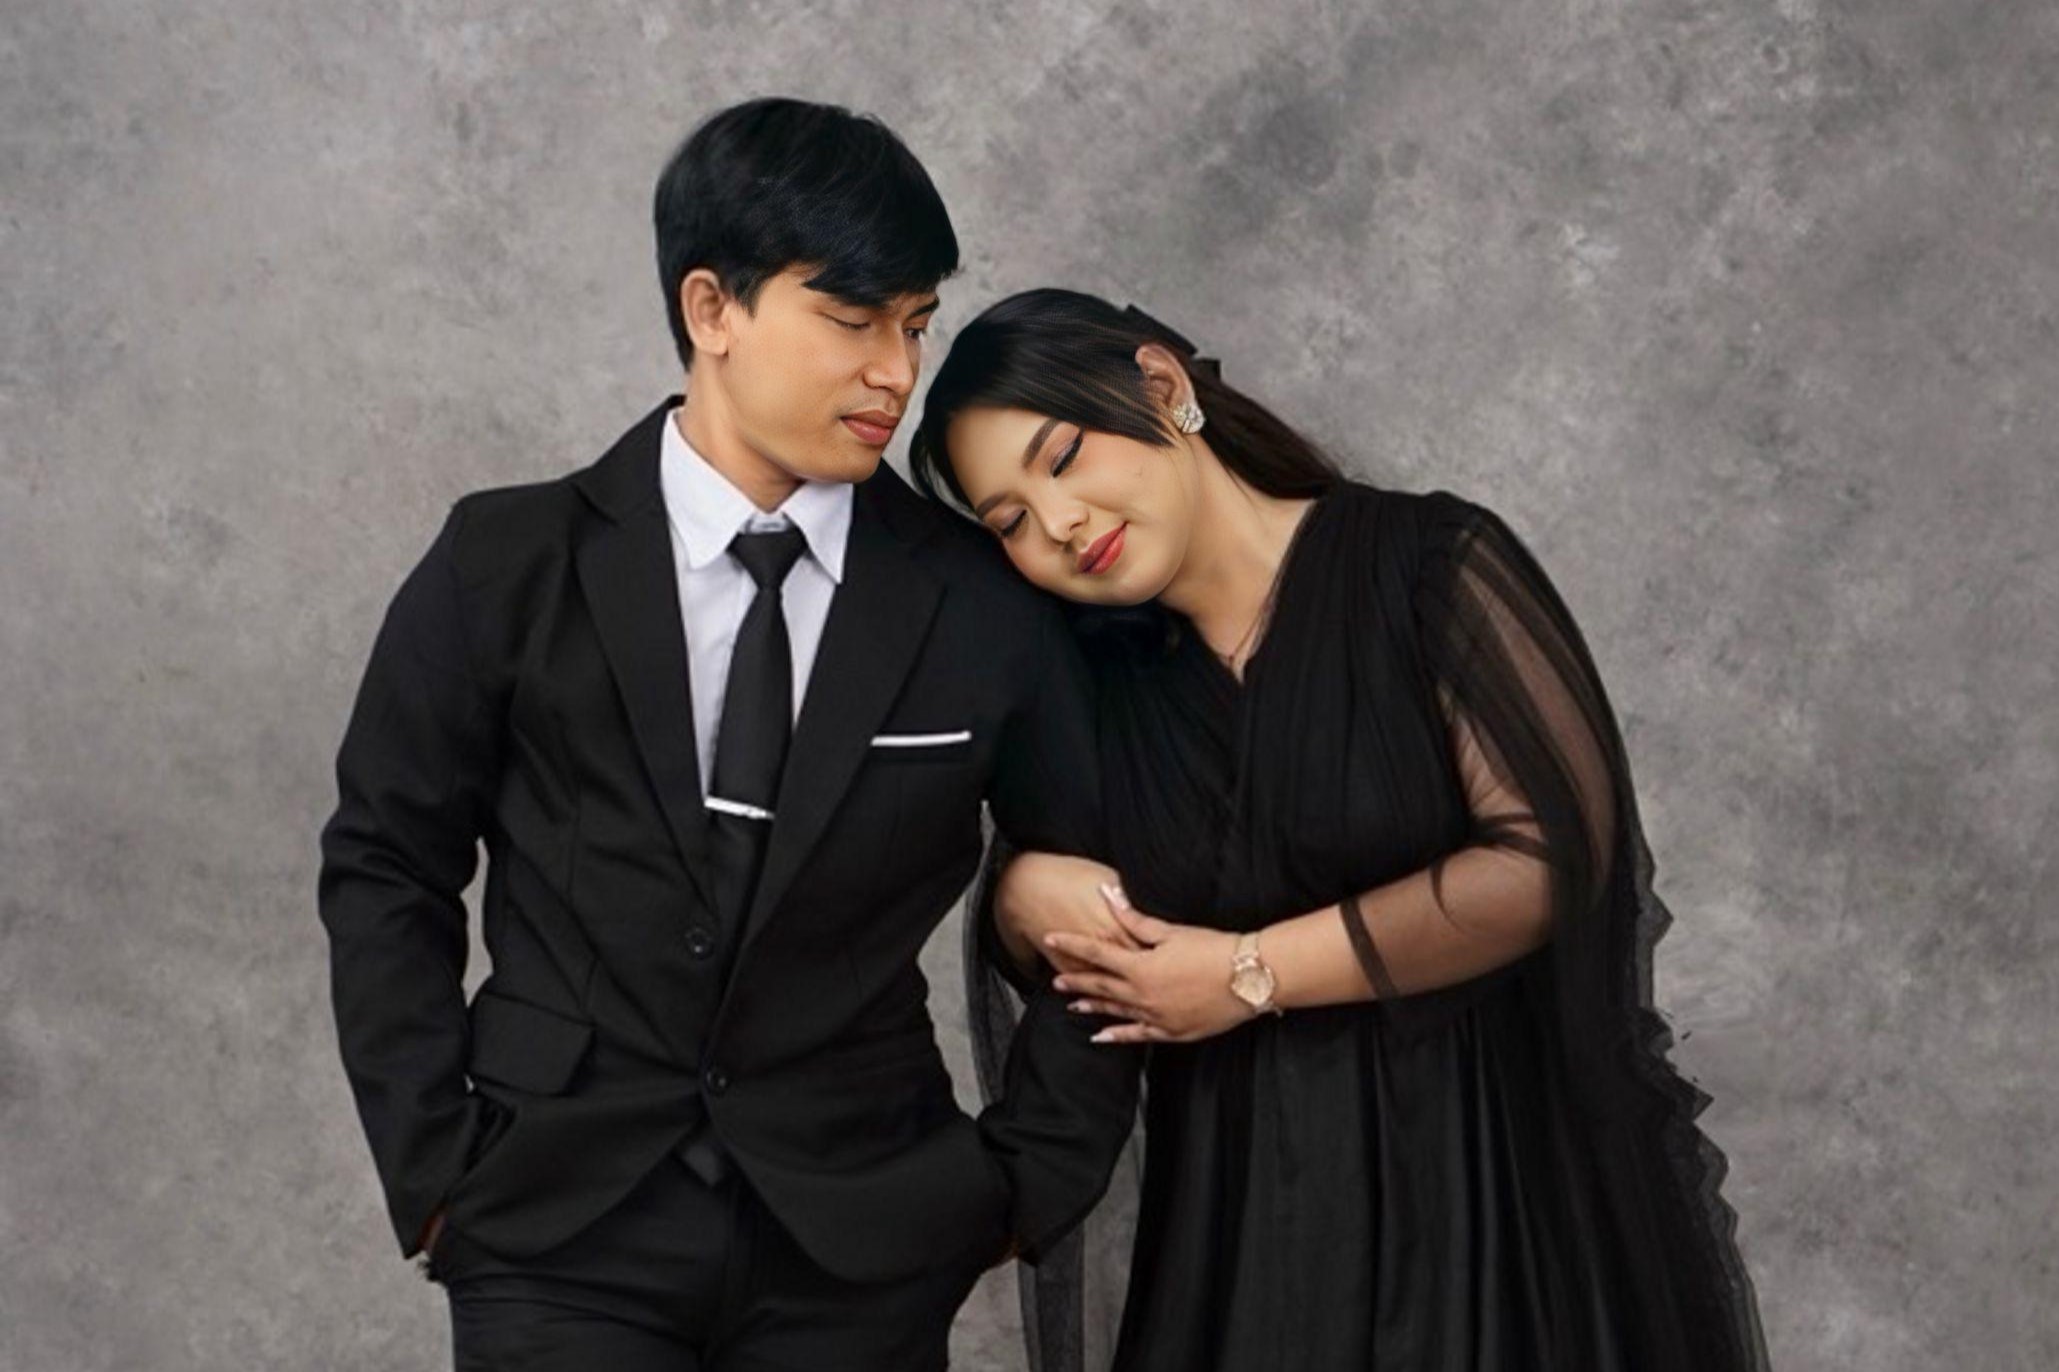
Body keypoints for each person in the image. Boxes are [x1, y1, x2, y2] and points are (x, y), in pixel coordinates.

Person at [316, 101, 1139, 1372]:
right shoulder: (504, 561)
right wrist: (435, 1173)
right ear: (712, 310)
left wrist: (1025, 1182)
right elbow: (385, 860)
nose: (896, 372)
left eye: (915, 323)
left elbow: (1102, 887)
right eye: (853, 319)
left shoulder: (980, 601)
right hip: (555, 1225)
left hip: (864, 1236)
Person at [909, 288, 1774, 1371]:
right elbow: (1081, 966)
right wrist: (1020, 899)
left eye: (1065, 458)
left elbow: (1546, 860)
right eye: (1010, 521)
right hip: (1244, 1245)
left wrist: (1246, 972)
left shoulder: (1427, 566)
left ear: (1163, 388)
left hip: (1499, 1208)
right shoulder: (1094, 691)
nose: (1061, 523)